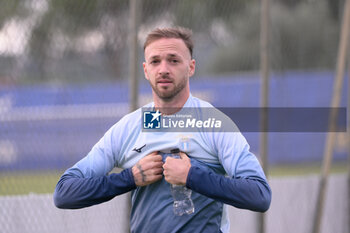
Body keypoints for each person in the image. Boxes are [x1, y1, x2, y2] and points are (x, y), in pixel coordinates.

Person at [54, 27, 271, 233]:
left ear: (191, 67)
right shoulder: (129, 128)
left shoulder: (215, 124)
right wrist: (129, 178)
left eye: (173, 60)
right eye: (155, 61)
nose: (164, 69)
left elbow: (259, 195)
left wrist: (192, 175)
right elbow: (65, 193)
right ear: (146, 70)